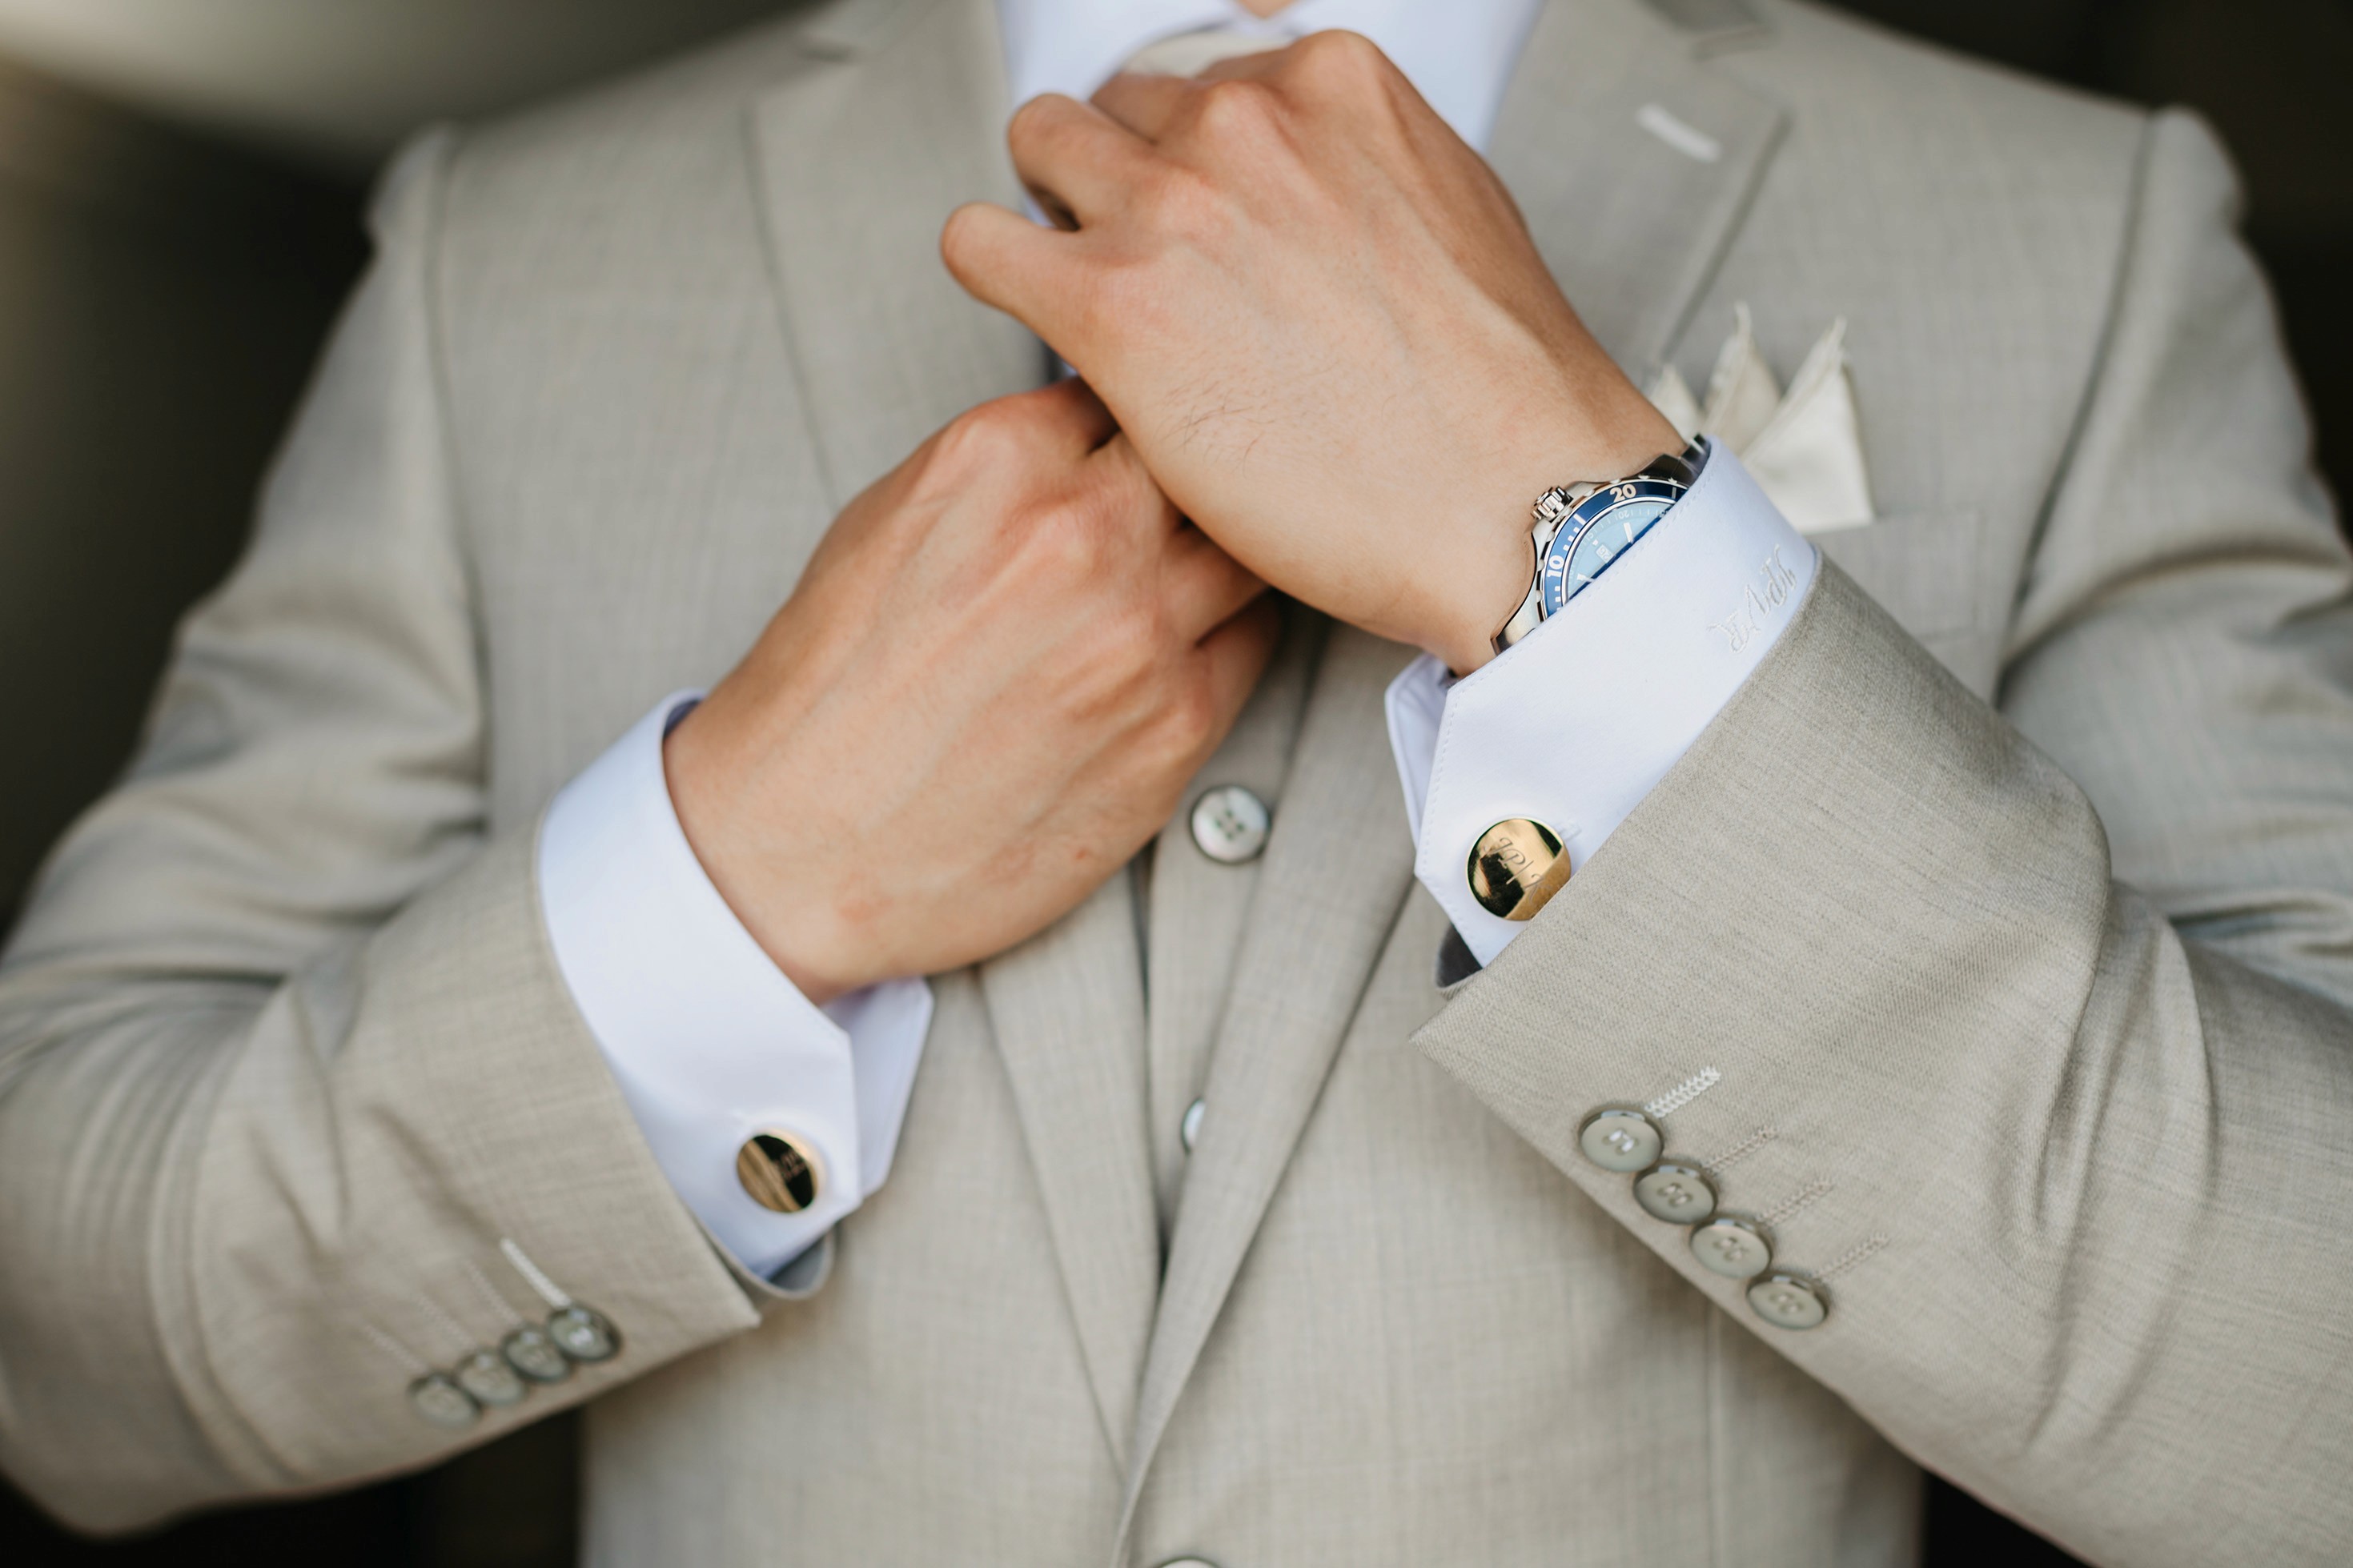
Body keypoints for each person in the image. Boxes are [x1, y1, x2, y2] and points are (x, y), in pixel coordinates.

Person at [3, 0, 2351, 1561]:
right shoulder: (504, 252)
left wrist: (1600, 572)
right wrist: (740, 881)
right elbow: (57, 1331)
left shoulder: (2078, 232)